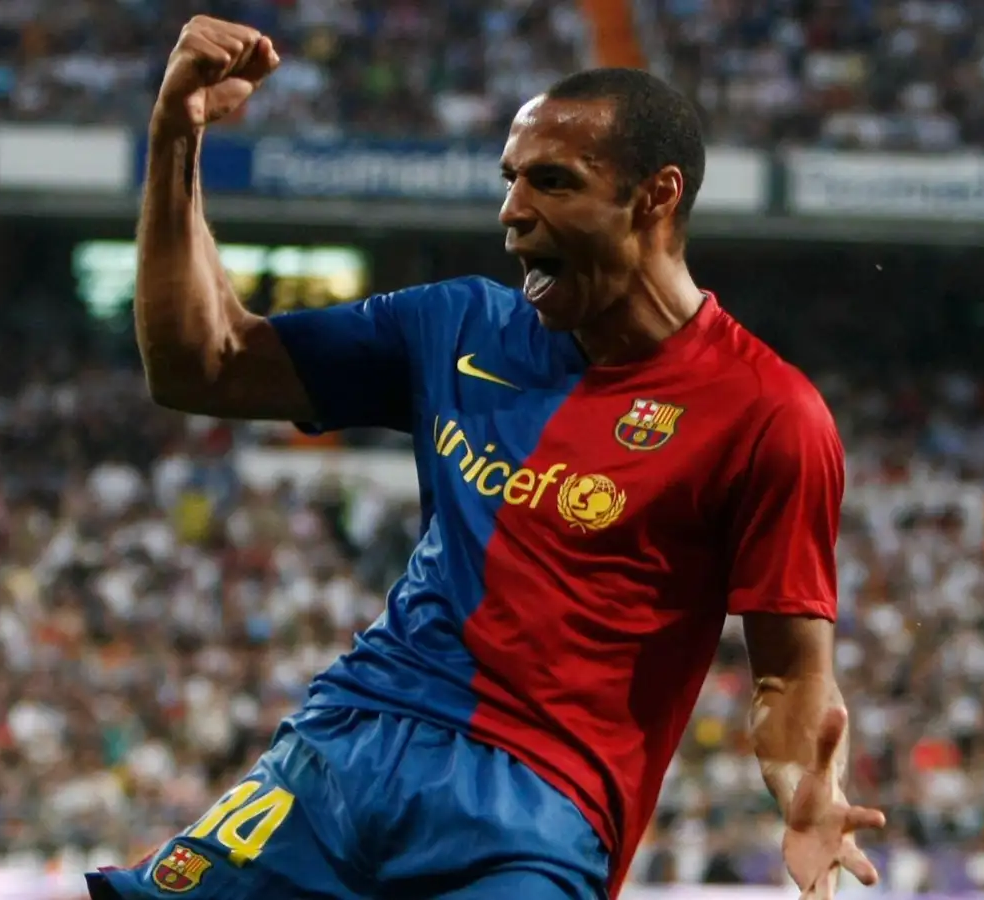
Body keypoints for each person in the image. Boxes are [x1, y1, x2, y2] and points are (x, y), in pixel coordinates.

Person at [87, 15, 887, 900]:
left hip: (531, 811)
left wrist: (808, 794)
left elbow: (789, 672)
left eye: (552, 183)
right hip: (341, 749)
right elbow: (204, 364)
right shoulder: (457, 324)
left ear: (656, 196)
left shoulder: (768, 412)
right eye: (510, 182)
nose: (512, 215)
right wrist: (174, 138)